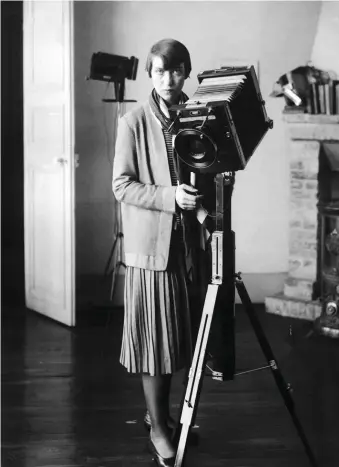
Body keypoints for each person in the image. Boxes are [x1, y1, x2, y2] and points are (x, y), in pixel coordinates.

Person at [112, 38, 202, 466]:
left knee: (181, 341)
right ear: (150, 73)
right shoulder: (132, 122)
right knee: (154, 343)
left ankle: (165, 418)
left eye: (177, 70)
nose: (169, 79)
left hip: (191, 246)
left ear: (187, 72)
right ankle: (158, 428)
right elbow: (121, 185)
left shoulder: (197, 116)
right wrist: (170, 197)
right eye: (160, 71)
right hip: (151, 250)